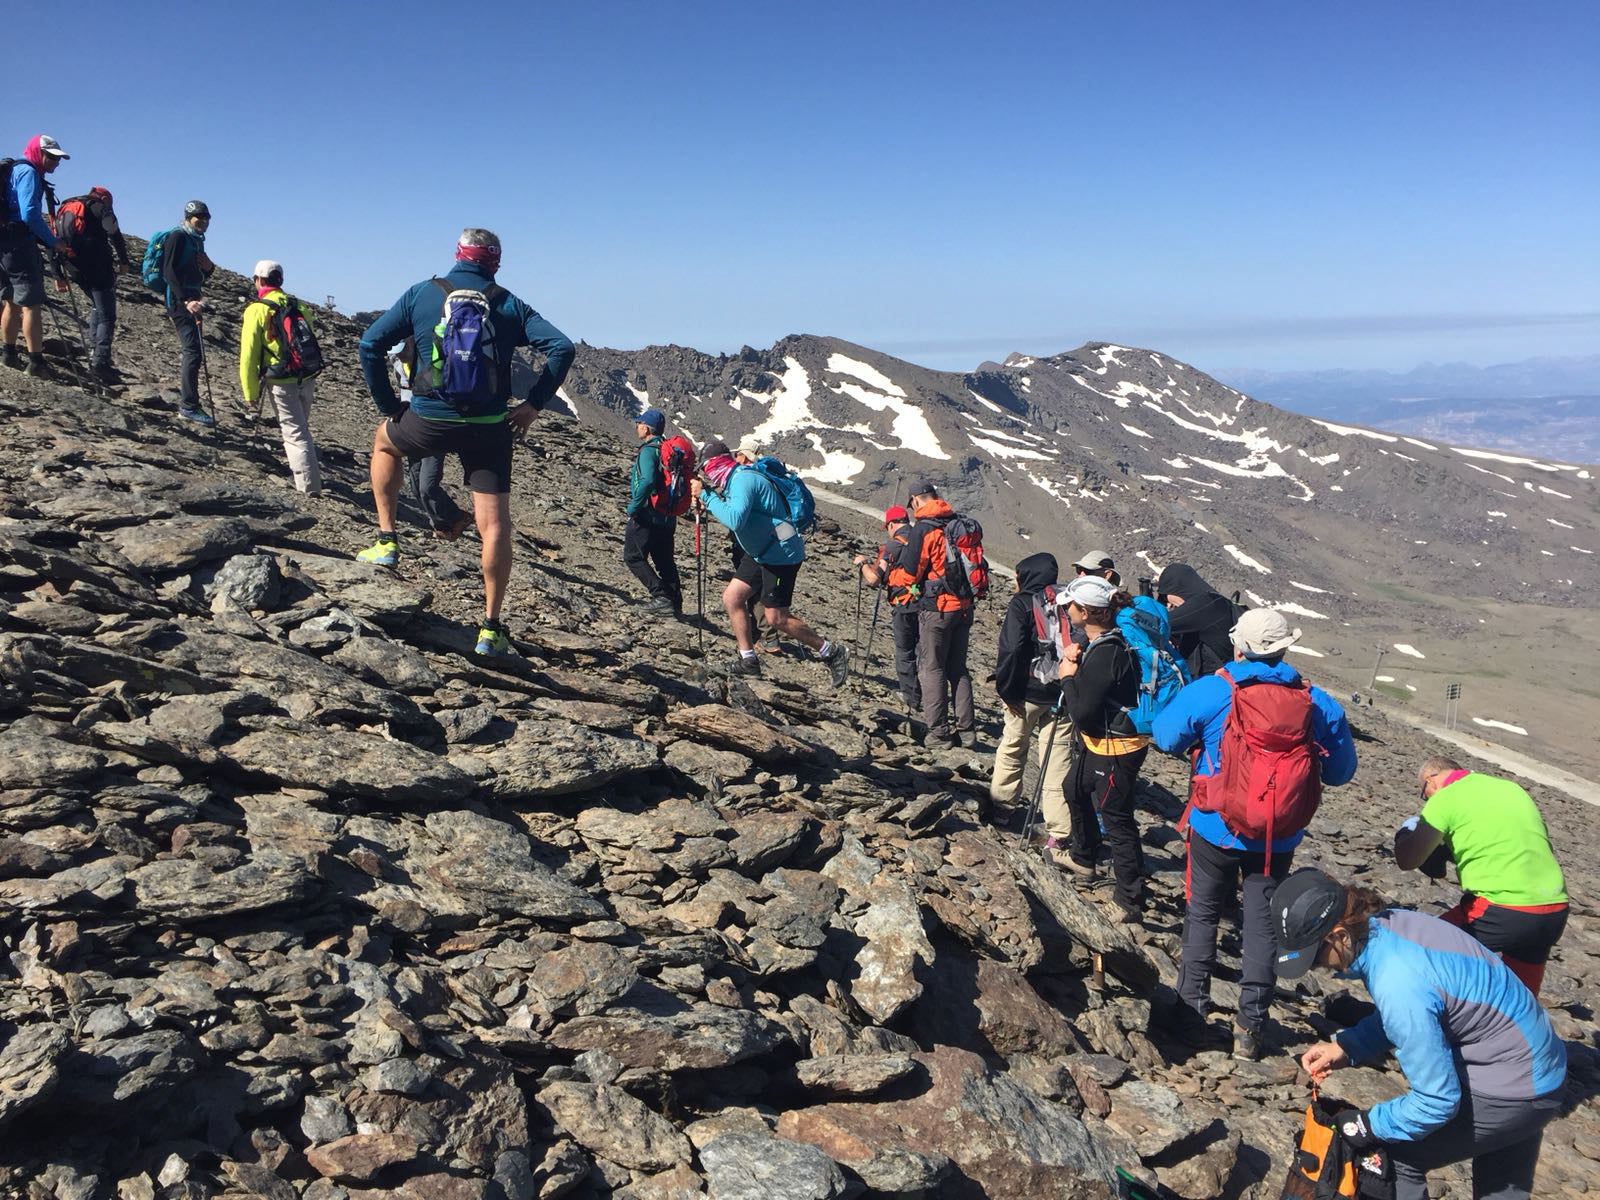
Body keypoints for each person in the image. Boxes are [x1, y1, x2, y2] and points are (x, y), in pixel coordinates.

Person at [1278, 869, 1566, 1200]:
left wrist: (1366, 1125)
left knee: (1394, 1159)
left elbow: (1437, 1101)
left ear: (1340, 936)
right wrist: (1345, 1046)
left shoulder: (1397, 980)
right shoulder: (1390, 924)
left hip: (1511, 1089)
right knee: (1502, 1185)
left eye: (1315, 957)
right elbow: (1421, 1007)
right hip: (1542, 1070)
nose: (1319, 968)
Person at [356, 228, 574, 656]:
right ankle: (491, 628)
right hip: (491, 426)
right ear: (494, 261)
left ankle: (386, 541)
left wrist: (389, 405)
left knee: (384, 445)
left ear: (458, 255)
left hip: (428, 419)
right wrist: (533, 404)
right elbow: (561, 348)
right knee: (493, 524)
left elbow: (370, 344)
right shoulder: (508, 302)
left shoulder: (421, 294)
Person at [1152, 608, 1356, 1060]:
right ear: (1285, 647)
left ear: (1238, 646)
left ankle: (1190, 1013)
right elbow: (1342, 772)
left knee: (1203, 913)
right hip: (1276, 836)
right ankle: (1251, 1026)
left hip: (1214, 825)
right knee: (1263, 922)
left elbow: (1165, 737)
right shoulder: (1316, 702)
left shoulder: (1214, 690)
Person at [1393, 756, 1568, 996]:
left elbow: (1408, 860)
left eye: (1425, 794)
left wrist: (1405, 832)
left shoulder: (1445, 798)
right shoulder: (1510, 789)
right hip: (1553, 909)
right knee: (1520, 1000)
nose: (1427, 799)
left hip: (1502, 909)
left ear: (1430, 780)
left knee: (1420, 952)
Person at [690, 439, 849, 684]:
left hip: (780, 556)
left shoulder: (743, 480)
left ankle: (831, 651)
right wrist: (708, 500)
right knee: (732, 597)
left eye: (707, 467)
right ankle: (748, 660)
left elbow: (735, 519)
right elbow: (739, 512)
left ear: (716, 463)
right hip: (762, 552)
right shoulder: (735, 479)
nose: (706, 474)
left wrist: (707, 498)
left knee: (776, 617)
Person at [1057, 576, 1150, 921]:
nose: (1066, 611)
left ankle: (1130, 899)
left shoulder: (1107, 652)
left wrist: (1067, 675)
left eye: (1071, 606)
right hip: (1103, 741)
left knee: (1117, 818)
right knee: (1074, 788)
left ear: (1085, 611)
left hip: (1116, 747)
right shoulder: (1102, 643)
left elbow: (1082, 712)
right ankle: (1084, 857)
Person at [990, 552, 1069, 819]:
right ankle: (1058, 831)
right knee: (1057, 761)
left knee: (1013, 746)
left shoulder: (1022, 603)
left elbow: (1011, 649)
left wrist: (1007, 690)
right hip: (1063, 692)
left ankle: (1002, 807)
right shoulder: (1068, 602)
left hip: (1027, 691)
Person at [239, 261, 322, 495]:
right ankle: (308, 476)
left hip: (281, 379)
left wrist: (250, 392)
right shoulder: (297, 305)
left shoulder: (257, 309)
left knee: (295, 433)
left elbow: (249, 355)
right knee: (301, 428)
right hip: (306, 375)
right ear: (280, 281)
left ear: (259, 280)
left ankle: (309, 488)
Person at [905, 481, 976, 748]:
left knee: (932, 668)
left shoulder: (924, 528)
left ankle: (938, 733)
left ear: (915, 501)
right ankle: (967, 731)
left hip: (938, 608)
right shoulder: (957, 522)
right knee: (958, 668)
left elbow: (912, 571)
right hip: (965, 606)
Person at [1, 135, 70, 377]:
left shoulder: (13, 170)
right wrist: (53, 242)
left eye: (57, 158)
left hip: (3, 244)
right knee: (31, 304)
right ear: (37, 153)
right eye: (50, 157)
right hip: (19, 244)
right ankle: (36, 361)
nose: (55, 163)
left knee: (10, 299)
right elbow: (30, 213)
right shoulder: (29, 173)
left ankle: (8, 354)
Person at [389, 347, 470, 539]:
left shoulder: (430, 358)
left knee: (427, 485)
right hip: (410, 425)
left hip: (433, 425)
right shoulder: (397, 362)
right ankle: (444, 525)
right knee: (416, 484)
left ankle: (455, 518)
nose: (399, 354)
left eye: (402, 350)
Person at [56, 185, 132, 384]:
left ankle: (93, 352)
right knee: (107, 314)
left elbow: (54, 239)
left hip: (73, 266)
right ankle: (101, 362)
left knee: (97, 306)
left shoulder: (67, 206)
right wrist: (124, 261)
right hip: (97, 267)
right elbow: (115, 234)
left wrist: (58, 273)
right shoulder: (99, 207)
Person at [855, 505, 921, 719]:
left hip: (904, 603)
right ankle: (932, 696)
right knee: (925, 652)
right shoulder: (923, 539)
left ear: (892, 525)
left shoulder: (893, 545)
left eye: (888, 527)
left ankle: (911, 697)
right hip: (928, 602)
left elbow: (874, 579)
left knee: (905, 651)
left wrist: (863, 563)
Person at [159, 200, 217, 426]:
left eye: (206, 218)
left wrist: (209, 267)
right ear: (188, 218)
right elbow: (168, 271)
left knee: (195, 351)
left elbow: (200, 274)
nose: (203, 222)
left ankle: (191, 404)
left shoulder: (195, 240)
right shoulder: (178, 237)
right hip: (181, 302)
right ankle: (188, 406)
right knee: (192, 351)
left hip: (193, 299)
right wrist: (185, 300)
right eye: (198, 218)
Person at [624, 407, 684, 616]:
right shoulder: (669, 450)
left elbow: (647, 480)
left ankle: (661, 597)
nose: (637, 426)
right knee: (665, 560)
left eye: (639, 423)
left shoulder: (649, 451)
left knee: (633, 556)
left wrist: (634, 506)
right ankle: (675, 602)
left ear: (647, 428)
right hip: (668, 516)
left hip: (648, 514)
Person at [1155, 562, 1236, 677]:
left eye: (1164, 596)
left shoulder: (1204, 603)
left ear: (1175, 588)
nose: (1168, 605)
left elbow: (1158, 623)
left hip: (1214, 681)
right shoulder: (1215, 600)